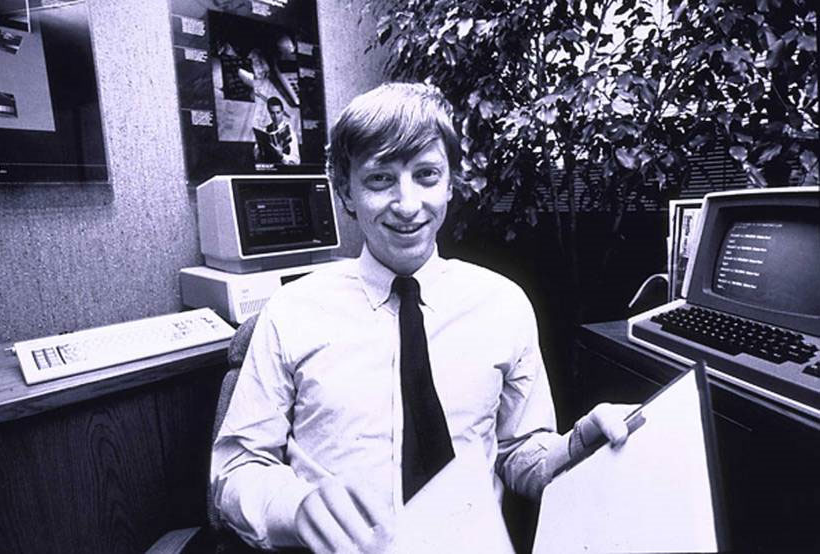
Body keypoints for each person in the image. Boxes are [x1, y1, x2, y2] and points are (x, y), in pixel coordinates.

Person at [211, 82, 634, 553]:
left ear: (451, 182)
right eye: (379, 179)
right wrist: (296, 508)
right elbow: (234, 473)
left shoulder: (504, 305)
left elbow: (520, 455)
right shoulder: (291, 311)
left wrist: (576, 449)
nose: (408, 205)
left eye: (427, 175)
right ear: (345, 192)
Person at [254, 96, 300, 166]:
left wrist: (282, 156)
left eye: (278, 112)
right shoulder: (265, 130)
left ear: (282, 112)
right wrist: (257, 152)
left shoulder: (291, 133)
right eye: (272, 113)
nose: (275, 116)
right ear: (269, 113)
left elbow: (297, 161)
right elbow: (257, 155)